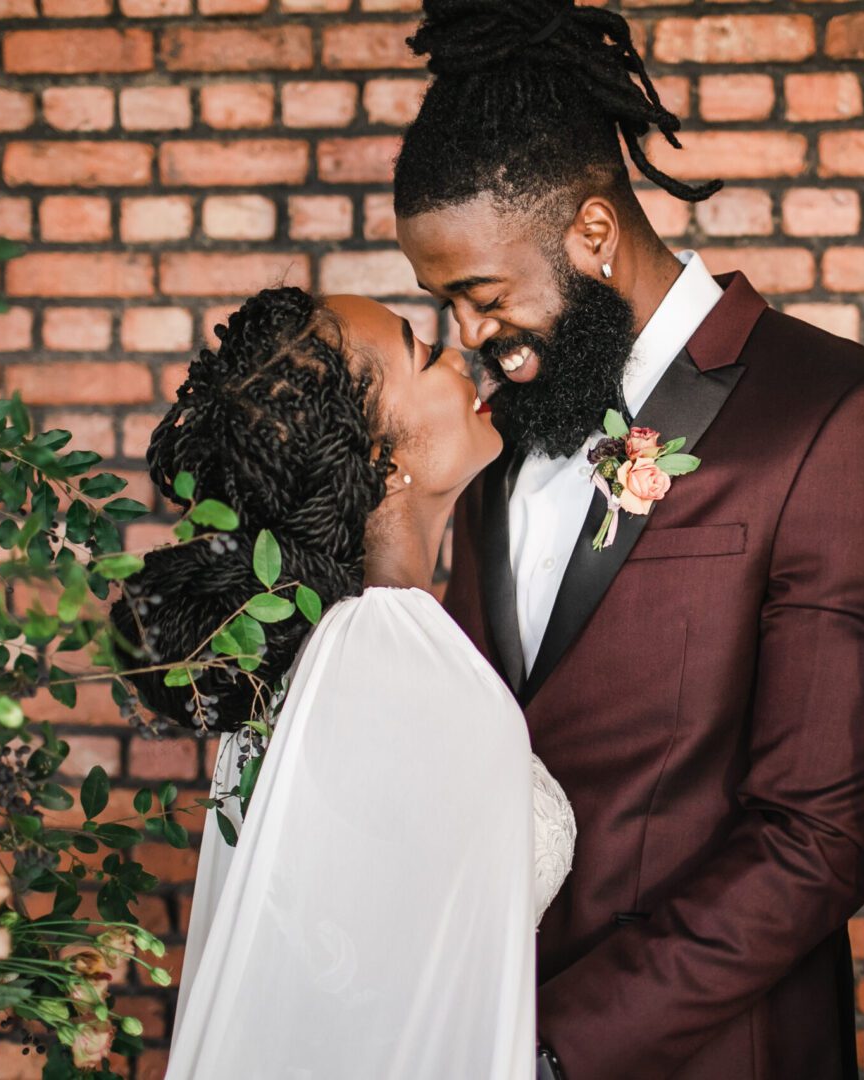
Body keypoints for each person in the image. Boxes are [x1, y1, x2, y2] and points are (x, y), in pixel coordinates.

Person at [393, 2, 864, 1077]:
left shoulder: (843, 418)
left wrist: (550, 1050)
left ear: (593, 232)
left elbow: (818, 838)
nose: (466, 337)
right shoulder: (493, 443)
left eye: (481, 294)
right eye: (442, 304)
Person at [113, 287, 576, 1079]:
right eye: (424, 357)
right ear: (382, 462)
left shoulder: (320, 648)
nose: (460, 360)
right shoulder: (382, 655)